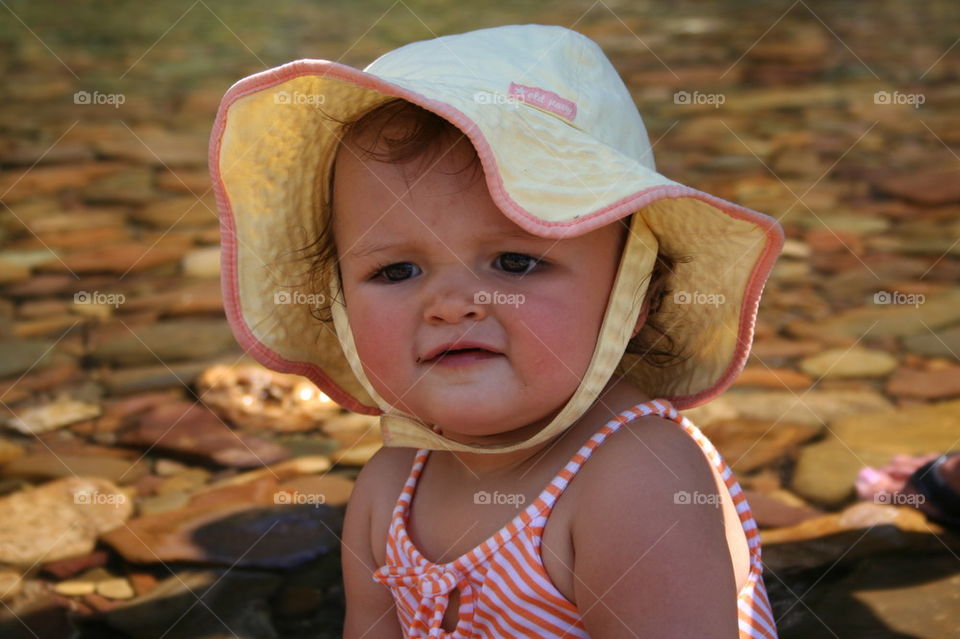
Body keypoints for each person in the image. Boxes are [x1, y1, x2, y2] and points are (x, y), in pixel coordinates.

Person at [210, 24, 783, 638]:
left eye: (514, 262)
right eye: (396, 270)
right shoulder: (392, 484)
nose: (452, 305)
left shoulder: (635, 480)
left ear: (633, 295)